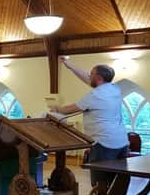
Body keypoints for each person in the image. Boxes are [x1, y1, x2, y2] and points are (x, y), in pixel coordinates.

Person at [51, 58, 128, 186]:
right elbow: (87, 78)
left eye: (91, 74)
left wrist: (56, 108)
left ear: (98, 78)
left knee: (100, 184)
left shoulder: (95, 95)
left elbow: (67, 110)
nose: (88, 76)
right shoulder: (115, 88)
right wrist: (70, 66)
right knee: (118, 183)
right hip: (121, 142)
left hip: (104, 144)